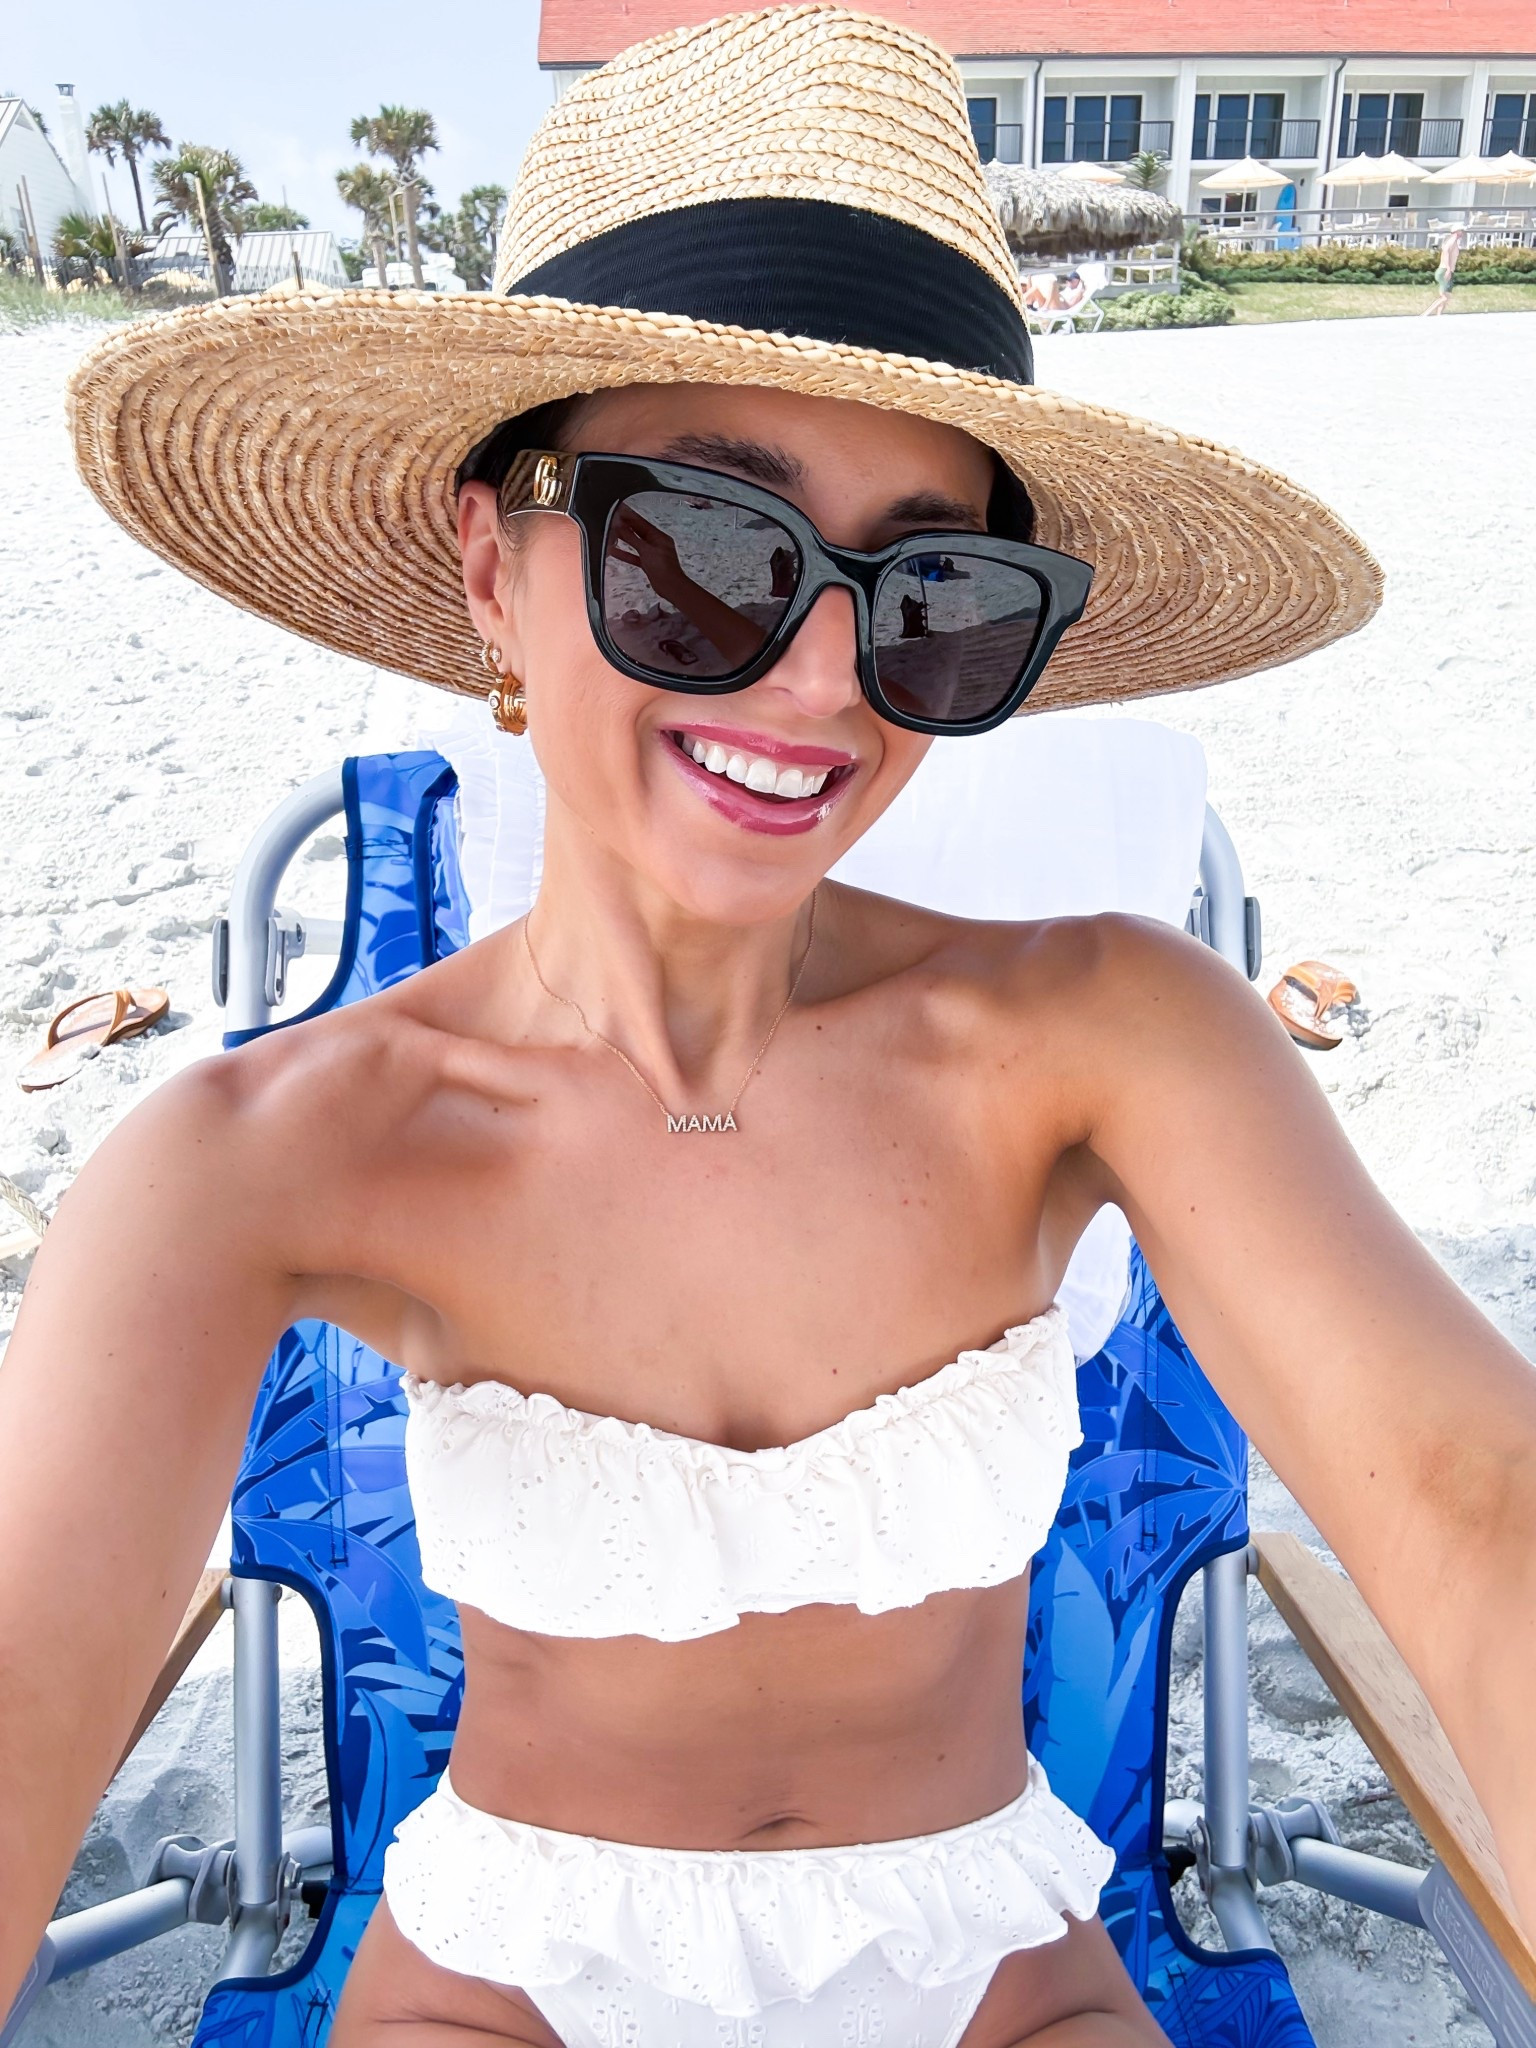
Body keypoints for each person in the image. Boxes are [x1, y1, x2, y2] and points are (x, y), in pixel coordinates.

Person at [8, 8, 1536, 2046]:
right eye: (707, 549)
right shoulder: (269, 1156)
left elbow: (1470, 1496)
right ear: (494, 564)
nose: (822, 682)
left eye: (931, 597)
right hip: (505, 1983)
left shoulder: (1109, 1035)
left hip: (995, 1969)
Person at [1425, 224, 1466, 315]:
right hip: (1444, 270)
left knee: (1446, 296)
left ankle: (1439, 314)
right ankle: (1426, 314)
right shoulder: (1451, 241)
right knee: (1444, 297)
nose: (1462, 233)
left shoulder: (1454, 241)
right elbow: (1446, 253)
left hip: (1448, 270)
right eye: (1460, 231)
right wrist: (1448, 269)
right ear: (1456, 231)